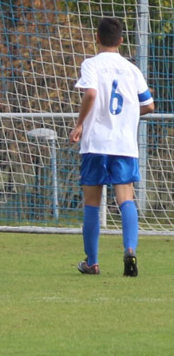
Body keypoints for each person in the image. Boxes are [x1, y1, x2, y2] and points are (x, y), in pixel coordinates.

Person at [69, 17, 154, 277]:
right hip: (124, 144)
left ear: (97, 37)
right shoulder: (132, 69)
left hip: (95, 142)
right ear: (121, 40)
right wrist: (129, 113)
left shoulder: (91, 64)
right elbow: (149, 105)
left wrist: (79, 123)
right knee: (125, 198)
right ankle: (129, 249)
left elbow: (91, 93)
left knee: (92, 203)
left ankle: (92, 262)